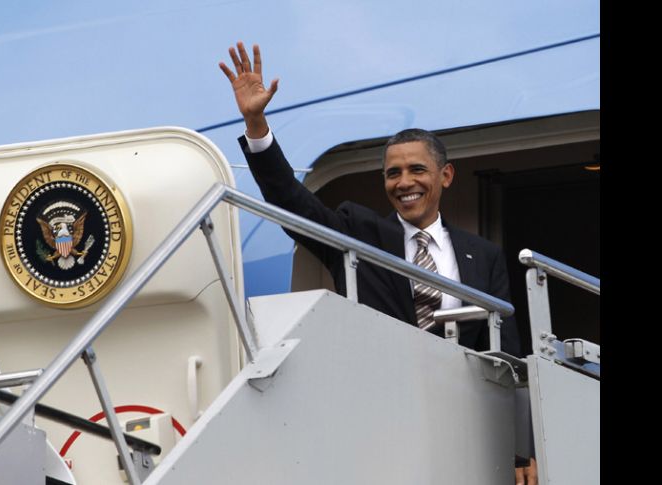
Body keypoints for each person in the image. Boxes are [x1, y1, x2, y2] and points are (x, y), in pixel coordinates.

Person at [219, 41, 521, 357]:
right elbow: (290, 200)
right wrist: (256, 125)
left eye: (417, 170)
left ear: (445, 176)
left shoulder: (484, 255)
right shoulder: (357, 234)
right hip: (377, 387)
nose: (404, 183)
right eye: (393, 173)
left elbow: (504, 350)